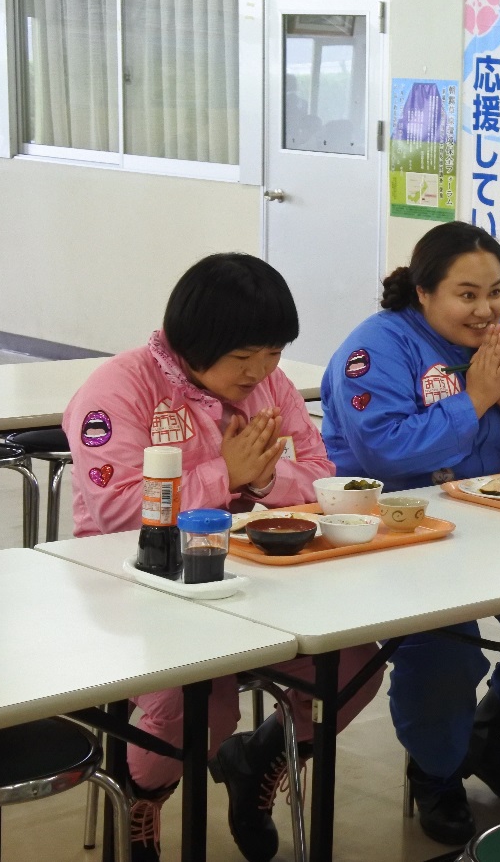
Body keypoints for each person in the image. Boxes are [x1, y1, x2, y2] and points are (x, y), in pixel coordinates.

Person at [63, 254, 383, 862]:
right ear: (193, 343)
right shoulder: (117, 391)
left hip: (259, 573)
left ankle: (259, 759)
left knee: (354, 670)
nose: (261, 372)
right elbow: (116, 514)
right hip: (140, 581)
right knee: (194, 703)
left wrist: (261, 484)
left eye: (274, 354)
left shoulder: (267, 385)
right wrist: (224, 475)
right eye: (244, 358)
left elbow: (319, 474)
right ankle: (143, 804)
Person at [320, 221, 500, 845]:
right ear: (422, 293)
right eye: (466, 294)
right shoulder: (375, 348)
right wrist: (475, 400)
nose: (485, 310)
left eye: (495, 292)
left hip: (493, 524)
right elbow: (386, 456)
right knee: (446, 652)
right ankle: (437, 770)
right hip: (396, 538)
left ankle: (496, 729)